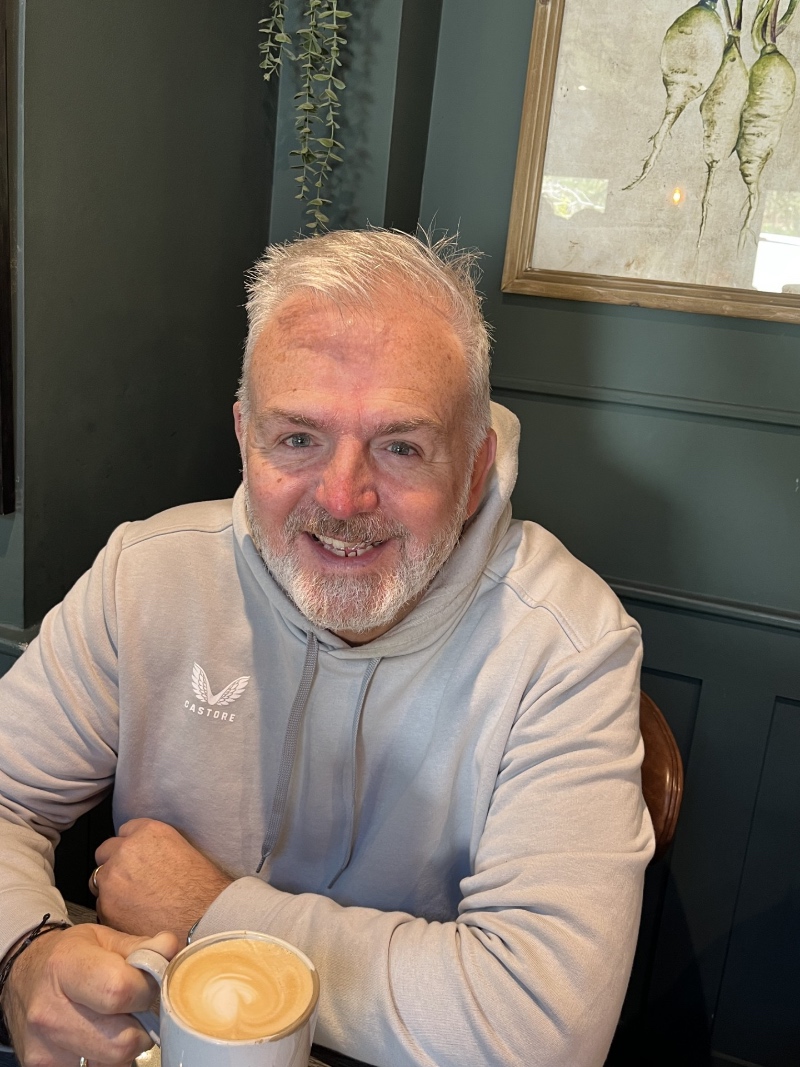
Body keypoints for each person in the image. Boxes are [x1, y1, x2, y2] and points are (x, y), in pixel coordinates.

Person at [0, 229, 654, 1067]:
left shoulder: (569, 644)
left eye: (401, 445)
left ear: (477, 462)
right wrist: (23, 952)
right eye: (298, 438)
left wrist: (217, 909)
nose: (343, 499)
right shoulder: (147, 572)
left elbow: (541, 1030)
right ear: (245, 436)